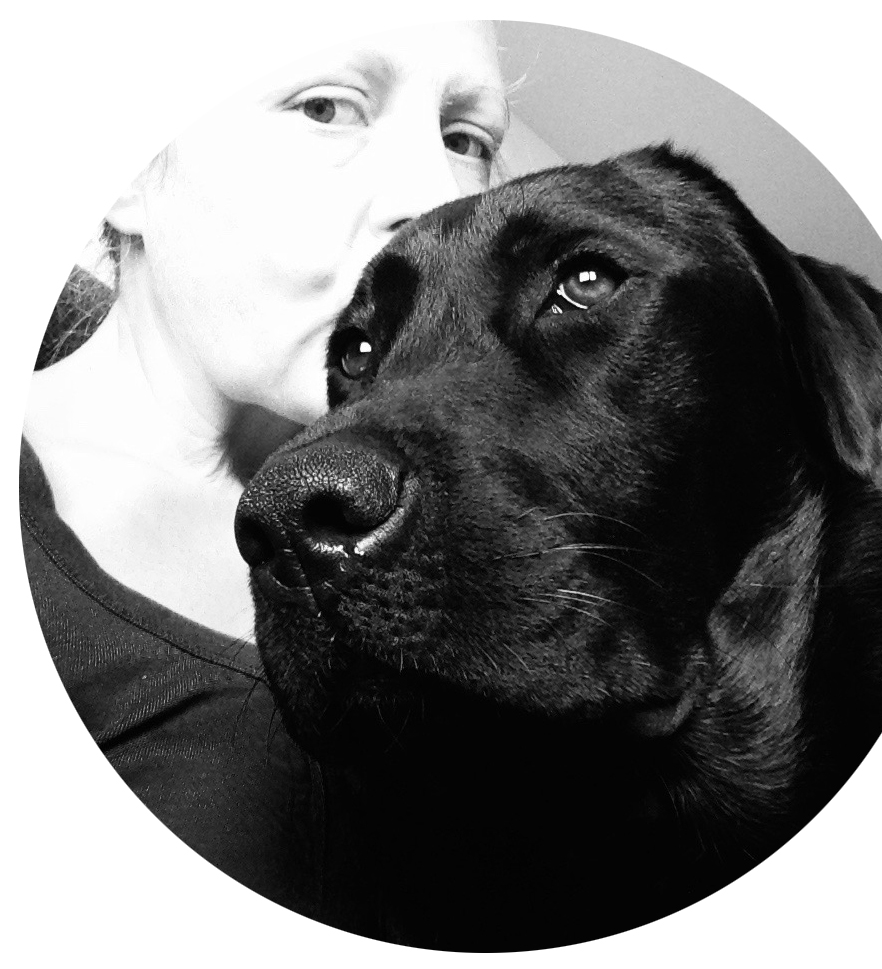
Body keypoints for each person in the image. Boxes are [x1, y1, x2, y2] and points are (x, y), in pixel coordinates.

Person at [21, 21, 509, 921]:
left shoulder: (488, 517)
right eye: (327, 107)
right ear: (126, 170)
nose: (439, 203)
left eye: (465, 139)